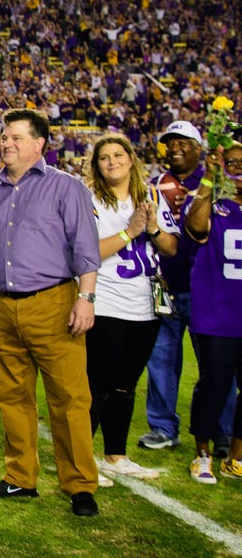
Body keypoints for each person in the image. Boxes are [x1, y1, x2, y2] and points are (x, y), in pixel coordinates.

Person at [0, 108, 102, 517]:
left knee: (69, 398)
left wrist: (86, 298)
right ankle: (20, 477)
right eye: (4, 137)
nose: (6, 143)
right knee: (12, 397)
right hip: (2, 306)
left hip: (54, 302)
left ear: (39, 144)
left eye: (16, 137)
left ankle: (80, 485)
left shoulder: (65, 187)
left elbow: (85, 247)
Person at [82, 135, 177, 483]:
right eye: (104, 157)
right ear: (96, 165)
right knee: (98, 385)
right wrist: (130, 232)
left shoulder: (151, 196)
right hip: (106, 301)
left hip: (145, 305)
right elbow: (86, 251)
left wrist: (152, 228)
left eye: (118, 155)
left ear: (131, 159)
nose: (112, 162)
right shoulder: (90, 199)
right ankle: (82, 460)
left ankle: (116, 455)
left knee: (125, 385)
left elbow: (171, 247)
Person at [140, 121, 234, 455]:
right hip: (165, 285)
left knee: (217, 364)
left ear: (199, 148)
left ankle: (222, 431)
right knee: (161, 360)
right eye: (170, 143)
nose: (175, 148)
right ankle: (163, 427)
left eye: (183, 142)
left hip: (206, 289)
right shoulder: (154, 186)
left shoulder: (219, 183)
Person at [183, 143, 242, 484]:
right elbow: (195, 227)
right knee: (214, 384)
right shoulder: (211, 205)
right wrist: (209, 177)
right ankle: (202, 453)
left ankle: (236, 457)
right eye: (231, 163)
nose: (238, 168)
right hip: (216, 316)